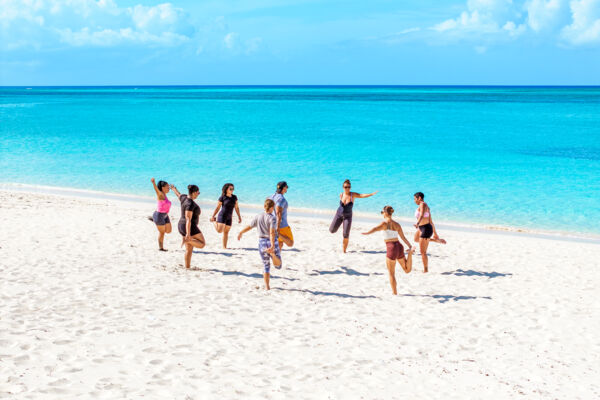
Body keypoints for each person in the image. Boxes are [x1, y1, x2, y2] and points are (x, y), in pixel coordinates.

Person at [362, 206, 413, 295]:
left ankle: (394, 293)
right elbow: (403, 238)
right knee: (407, 270)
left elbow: (375, 229)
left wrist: (367, 233)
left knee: (391, 273)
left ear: (385, 213)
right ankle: (410, 254)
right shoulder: (397, 224)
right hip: (399, 246)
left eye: (382, 212)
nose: (382, 214)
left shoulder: (384, 223)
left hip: (391, 247)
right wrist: (410, 246)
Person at [237, 199, 282, 290]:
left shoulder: (258, 216)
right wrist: (272, 245)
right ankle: (272, 254)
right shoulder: (272, 218)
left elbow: (250, 226)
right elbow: (272, 232)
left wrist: (241, 232)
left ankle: (267, 286)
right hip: (270, 241)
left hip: (261, 242)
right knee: (278, 265)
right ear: (272, 207)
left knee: (266, 265)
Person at [329, 179, 377, 253]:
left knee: (346, 234)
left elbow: (361, 195)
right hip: (338, 215)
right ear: (343, 187)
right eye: (346, 187)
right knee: (332, 230)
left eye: (349, 187)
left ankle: (344, 251)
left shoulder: (352, 195)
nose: (347, 188)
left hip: (347, 217)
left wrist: (370, 194)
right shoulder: (341, 195)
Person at [171, 184, 206, 269]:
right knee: (202, 244)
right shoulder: (190, 204)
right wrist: (188, 234)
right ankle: (187, 240)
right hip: (189, 227)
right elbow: (188, 219)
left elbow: (178, 194)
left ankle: (187, 267)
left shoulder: (183, 198)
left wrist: (174, 189)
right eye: (198, 193)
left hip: (181, 225)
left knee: (189, 249)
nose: (198, 194)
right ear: (194, 193)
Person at [413, 192, 446, 273]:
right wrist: (435, 234)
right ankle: (436, 240)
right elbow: (431, 221)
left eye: (415, 199)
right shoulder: (426, 206)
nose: (414, 201)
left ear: (419, 198)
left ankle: (425, 269)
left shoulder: (422, 204)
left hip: (426, 229)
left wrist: (417, 223)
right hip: (422, 228)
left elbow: (421, 215)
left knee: (423, 252)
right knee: (416, 239)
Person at [210, 183, 241, 249]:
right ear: (226, 189)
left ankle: (224, 247)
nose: (232, 190)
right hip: (222, 215)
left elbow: (237, 207)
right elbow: (218, 207)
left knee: (226, 232)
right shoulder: (222, 197)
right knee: (219, 231)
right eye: (230, 189)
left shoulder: (234, 197)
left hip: (229, 217)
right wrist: (213, 215)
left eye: (233, 189)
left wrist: (239, 217)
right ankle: (214, 221)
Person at [269, 181, 294, 248]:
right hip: (282, 225)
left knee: (280, 244)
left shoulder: (270, 197)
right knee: (290, 243)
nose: (287, 189)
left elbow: (266, 210)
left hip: (271, 223)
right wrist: (277, 228)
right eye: (286, 187)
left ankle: (277, 258)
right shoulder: (281, 199)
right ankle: (278, 234)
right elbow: (278, 213)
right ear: (283, 188)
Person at [150, 178, 172, 251]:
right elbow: (156, 190)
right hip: (159, 215)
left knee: (168, 230)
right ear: (162, 188)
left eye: (169, 186)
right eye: (167, 187)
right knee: (162, 232)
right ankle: (161, 248)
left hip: (165, 215)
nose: (169, 188)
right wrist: (153, 183)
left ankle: (155, 220)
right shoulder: (161, 195)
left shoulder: (165, 195)